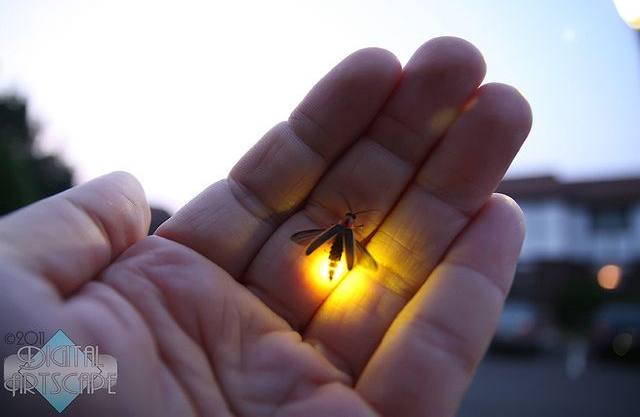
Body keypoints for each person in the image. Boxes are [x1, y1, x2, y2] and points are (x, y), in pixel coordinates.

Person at [0, 37, 531, 416]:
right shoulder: (340, 232)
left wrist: (29, 376)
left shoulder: (30, 368)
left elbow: (29, 376)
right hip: (333, 257)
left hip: (332, 256)